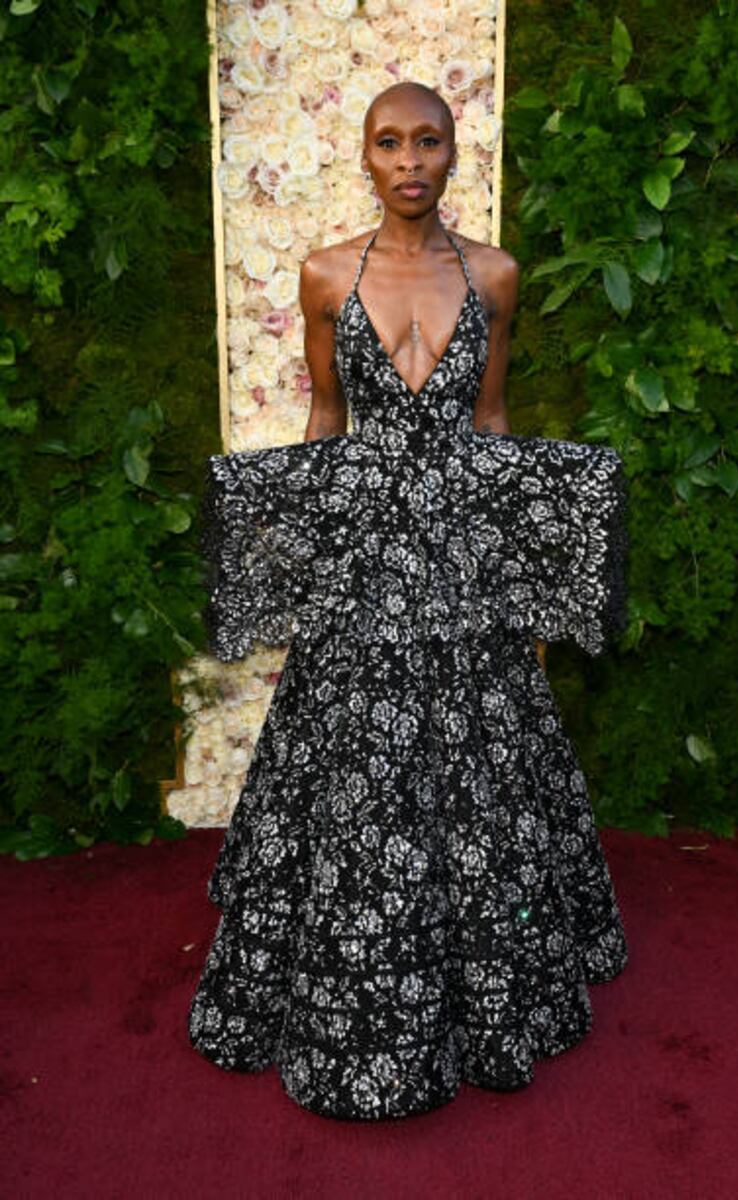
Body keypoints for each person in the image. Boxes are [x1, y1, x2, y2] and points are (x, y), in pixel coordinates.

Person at [187, 81, 629, 1121]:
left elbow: (490, 421)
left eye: (427, 140)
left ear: (452, 150)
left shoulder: (495, 275)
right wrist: (297, 561)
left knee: (480, 765)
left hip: (460, 567)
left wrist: (516, 564)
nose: (408, 161)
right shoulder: (325, 276)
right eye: (388, 142)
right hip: (361, 565)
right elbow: (324, 415)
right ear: (364, 156)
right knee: (352, 770)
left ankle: (485, 986)